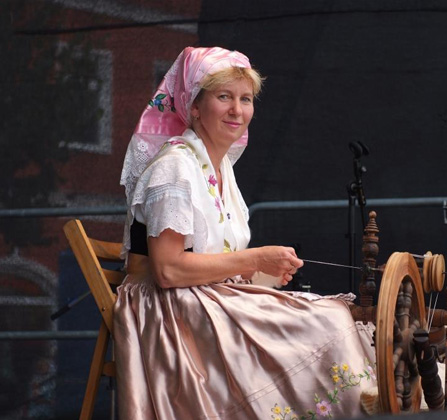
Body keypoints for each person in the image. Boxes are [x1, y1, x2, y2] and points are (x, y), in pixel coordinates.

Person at [115, 46, 377, 419]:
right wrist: (254, 258)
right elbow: (168, 270)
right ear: (193, 106)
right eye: (224, 97)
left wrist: (259, 273)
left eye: (246, 99)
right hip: (165, 309)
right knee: (326, 320)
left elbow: (212, 259)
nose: (238, 110)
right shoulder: (174, 168)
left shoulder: (221, 171)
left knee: (330, 312)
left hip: (201, 298)